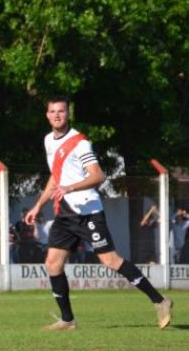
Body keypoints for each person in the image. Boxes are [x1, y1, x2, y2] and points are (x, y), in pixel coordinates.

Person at [25, 95, 172, 331]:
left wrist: (70, 187)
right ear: (47, 115)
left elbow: (98, 176)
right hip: (65, 212)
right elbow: (56, 175)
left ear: (68, 113)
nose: (57, 115)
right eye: (52, 112)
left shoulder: (80, 143)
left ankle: (160, 300)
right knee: (53, 264)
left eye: (61, 111)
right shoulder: (48, 141)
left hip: (88, 212)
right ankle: (67, 319)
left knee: (110, 260)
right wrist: (37, 205)